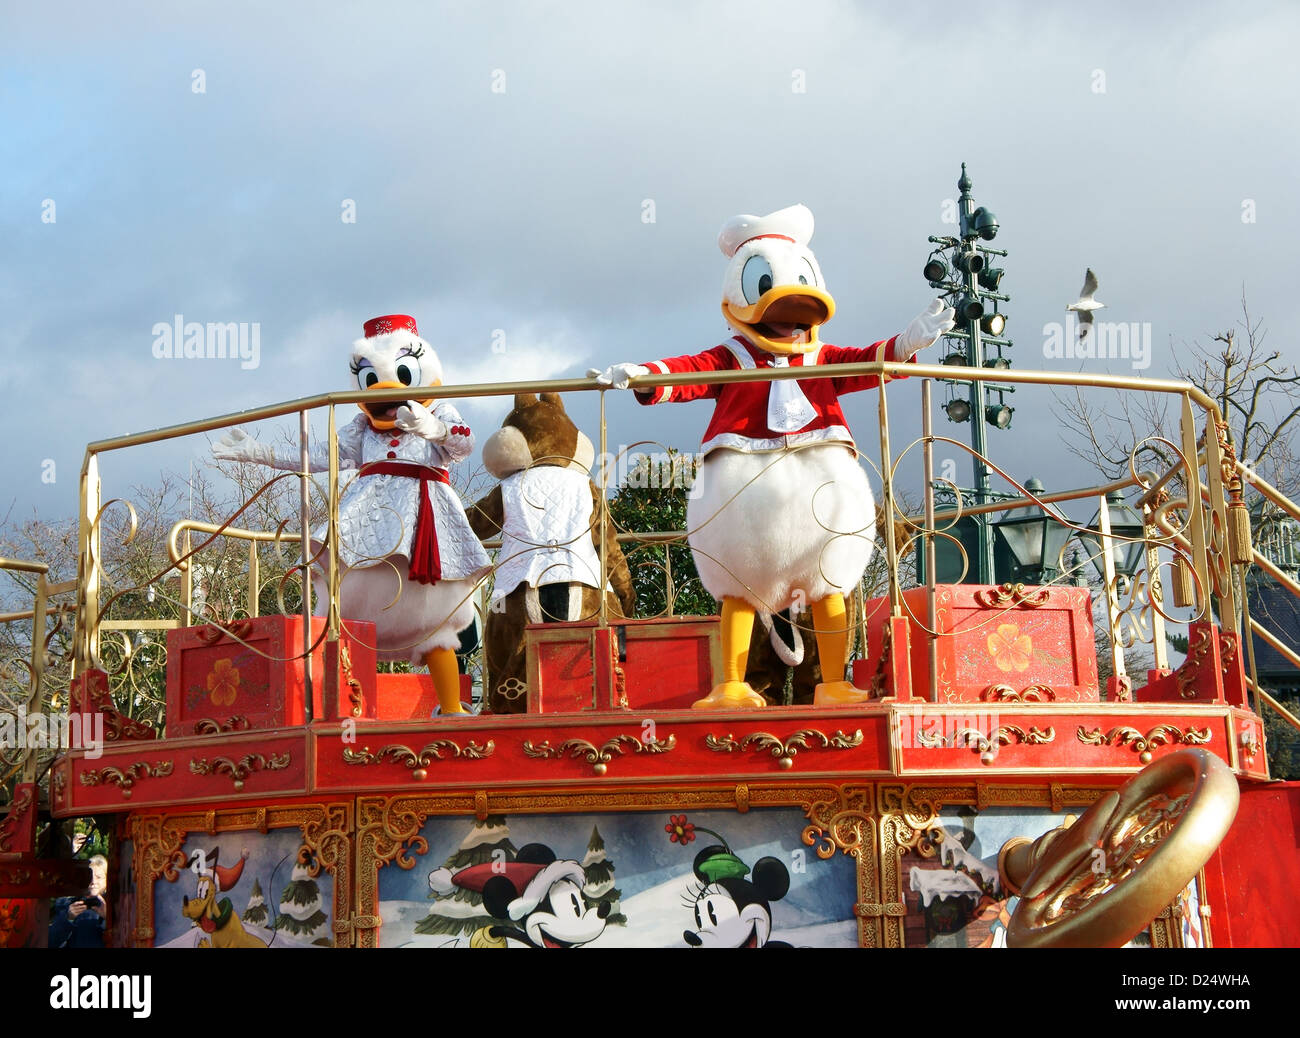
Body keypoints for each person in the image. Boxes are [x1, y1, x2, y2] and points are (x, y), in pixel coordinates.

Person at [49, 854, 108, 949]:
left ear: (107, 881)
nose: (93, 881)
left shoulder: (115, 906)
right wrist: (68, 918)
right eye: (90, 876)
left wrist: (107, 918)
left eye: (99, 877)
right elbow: (51, 942)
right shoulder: (68, 904)